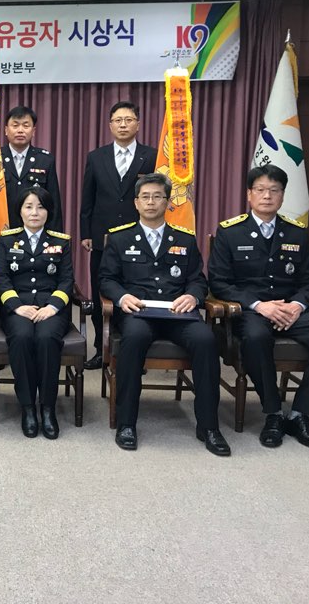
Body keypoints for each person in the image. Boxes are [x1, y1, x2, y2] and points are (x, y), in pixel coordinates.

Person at [208, 164, 309, 450]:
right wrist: (259, 305)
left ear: (283, 196)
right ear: (249, 194)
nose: (267, 196)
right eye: (260, 189)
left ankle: (299, 414)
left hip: (292, 310)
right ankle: (273, 413)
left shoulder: (297, 233)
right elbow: (219, 283)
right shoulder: (230, 232)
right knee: (256, 337)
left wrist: (296, 305)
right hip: (252, 311)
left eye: (274, 190)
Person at [99, 172, 230, 456]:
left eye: (157, 197)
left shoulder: (184, 239)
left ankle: (209, 426)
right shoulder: (120, 238)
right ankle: (126, 423)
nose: (150, 202)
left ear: (167, 202)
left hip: (177, 313)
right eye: (145, 197)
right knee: (133, 339)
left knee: (206, 340)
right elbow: (106, 279)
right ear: (136, 202)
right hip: (138, 313)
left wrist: (192, 296)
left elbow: (198, 280)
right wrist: (122, 297)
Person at [79, 101, 156, 370]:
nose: (123, 125)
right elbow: (88, 198)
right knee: (101, 294)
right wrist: (86, 232)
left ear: (138, 124)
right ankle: (101, 350)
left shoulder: (152, 156)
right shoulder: (96, 157)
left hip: (140, 238)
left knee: (137, 291)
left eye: (128, 120)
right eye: (118, 120)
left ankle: (136, 352)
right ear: (110, 125)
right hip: (103, 238)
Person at [0, 186, 73, 439]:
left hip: (52, 307)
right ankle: (28, 407)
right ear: (20, 211)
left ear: (49, 212)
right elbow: (2, 278)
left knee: (47, 338)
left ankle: (47, 408)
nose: (35, 212)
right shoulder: (6, 240)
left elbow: (66, 280)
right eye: (28, 207)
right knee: (22, 337)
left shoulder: (61, 241)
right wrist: (17, 306)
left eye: (40, 207)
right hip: (17, 306)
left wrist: (52, 307)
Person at [1, 105, 63, 230]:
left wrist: (54, 236)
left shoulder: (45, 160)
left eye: (26, 126)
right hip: (2, 229)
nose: (20, 130)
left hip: (35, 231)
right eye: (15, 125)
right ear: (6, 130)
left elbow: (53, 202)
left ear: (33, 131)